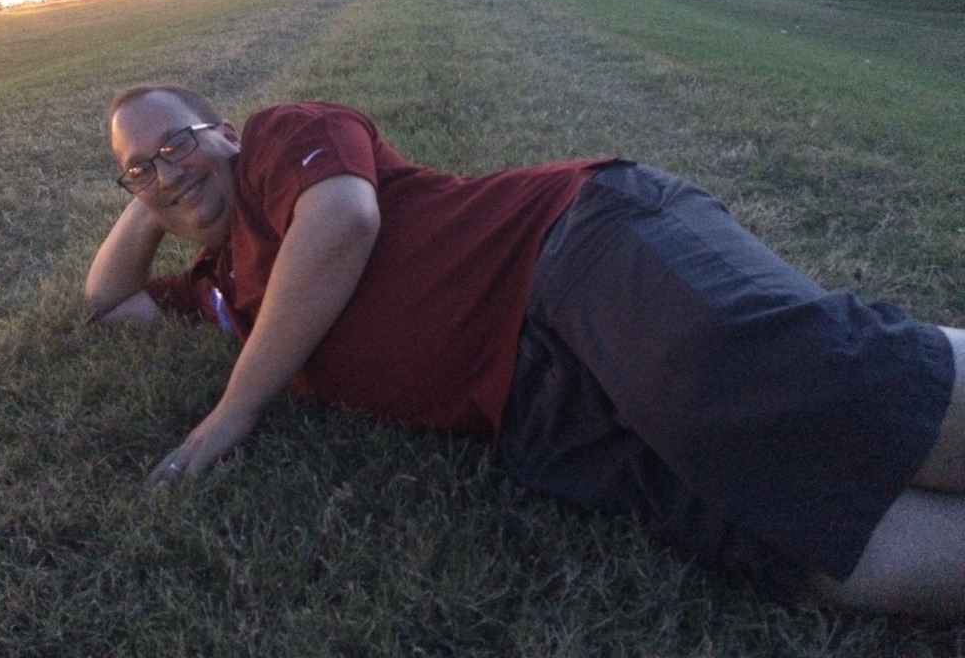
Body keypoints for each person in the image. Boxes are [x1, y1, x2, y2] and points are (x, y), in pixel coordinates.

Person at [86, 84, 965, 620]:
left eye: (180, 142)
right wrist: (157, 182)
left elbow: (345, 220)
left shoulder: (284, 134)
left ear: (228, 130)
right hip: (537, 417)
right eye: (139, 168)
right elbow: (110, 300)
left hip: (567, 250)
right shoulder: (215, 289)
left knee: (754, 384)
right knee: (807, 552)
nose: (164, 170)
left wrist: (231, 412)